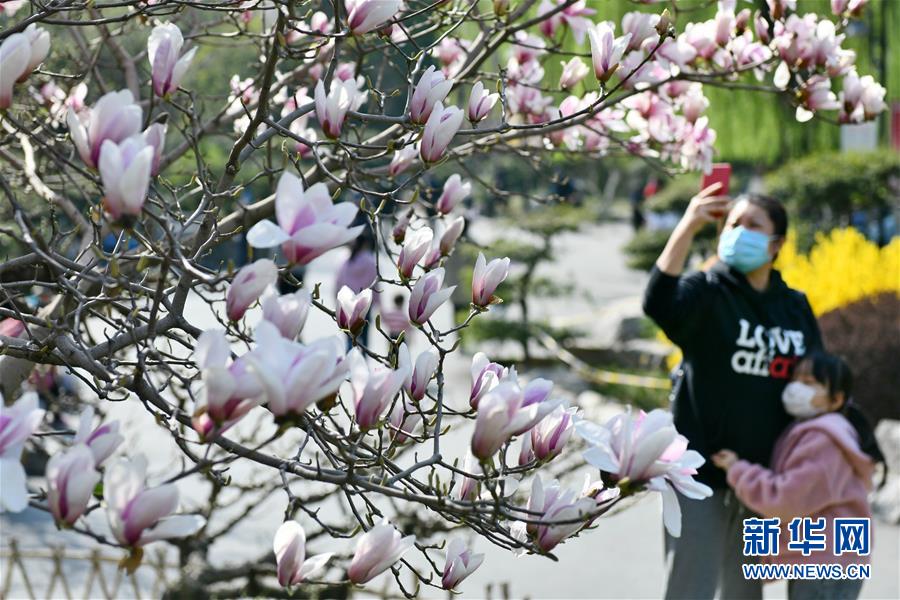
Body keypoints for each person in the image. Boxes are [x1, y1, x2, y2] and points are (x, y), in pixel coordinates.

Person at [642, 186, 824, 600]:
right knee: (690, 590)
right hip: (697, 477)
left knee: (744, 593)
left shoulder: (794, 307)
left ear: (776, 244)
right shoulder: (707, 292)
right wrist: (689, 224)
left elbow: (818, 379)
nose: (739, 231)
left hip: (762, 480)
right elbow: (658, 302)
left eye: (752, 225)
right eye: (733, 223)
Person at [712, 352, 885, 600]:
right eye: (794, 380)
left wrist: (738, 471)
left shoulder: (823, 441)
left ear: (836, 399)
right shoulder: (817, 431)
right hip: (830, 557)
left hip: (828, 562)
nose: (796, 388)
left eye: (809, 383)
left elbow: (786, 500)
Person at [335, 231, 378, 348]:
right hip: (364, 303)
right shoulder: (370, 261)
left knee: (349, 332)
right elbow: (374, 283)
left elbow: (339, 281)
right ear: (365, 244)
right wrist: (377, 301)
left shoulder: (347, 260)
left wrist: (337, 298)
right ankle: (363, 355)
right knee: (364, 334)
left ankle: (350, 353)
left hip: (347, 302)